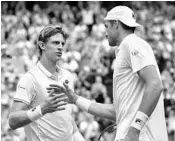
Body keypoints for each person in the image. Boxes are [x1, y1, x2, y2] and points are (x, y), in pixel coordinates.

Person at [48, 6, 169, 141]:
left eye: (106, 26)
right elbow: (115, 111)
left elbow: (155, 85)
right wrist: (75, 99)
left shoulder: (132, 42)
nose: (105, 33)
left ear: (116, 23)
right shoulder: (126, 48)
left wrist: (134, 130)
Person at [8, 25, 85, 141]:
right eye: (55, 43)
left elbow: (66, 118)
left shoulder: (67, 76)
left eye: (62, 44)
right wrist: (42, 109)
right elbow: (12, 121)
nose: (60, 47)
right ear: (42, 45)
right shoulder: (30, 78)